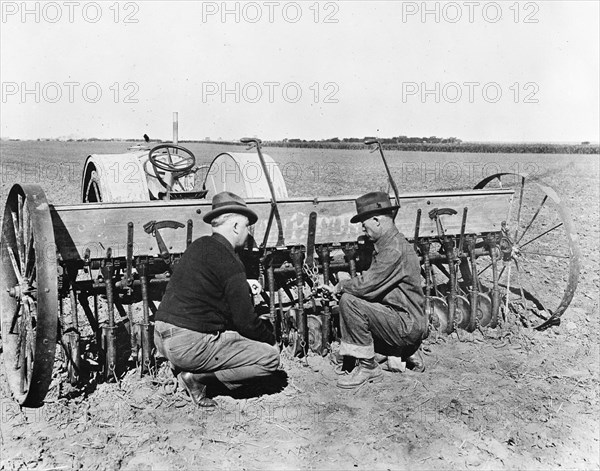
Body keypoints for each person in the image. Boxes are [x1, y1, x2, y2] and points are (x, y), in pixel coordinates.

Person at [154, 191, 280, 407]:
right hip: (188, 345)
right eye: (247, 227)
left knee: (230, 336)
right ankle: (197, 379)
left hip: (160, 337)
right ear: (235, 227)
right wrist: (271, 340)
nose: (248, 234)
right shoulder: (230, 260)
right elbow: (246, 321)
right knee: (269, 359)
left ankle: (183, 367)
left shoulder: (198, 246)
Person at [322, 191, 428, 389]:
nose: (363, 228)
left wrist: (340, 286)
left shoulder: (393, 250)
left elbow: (366, 286)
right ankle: (401, 354)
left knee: (349, 301)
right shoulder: (392, 244)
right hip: (404, 319)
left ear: (377, 220)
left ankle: (368, 366)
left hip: (405, 324)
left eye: (364, 222)